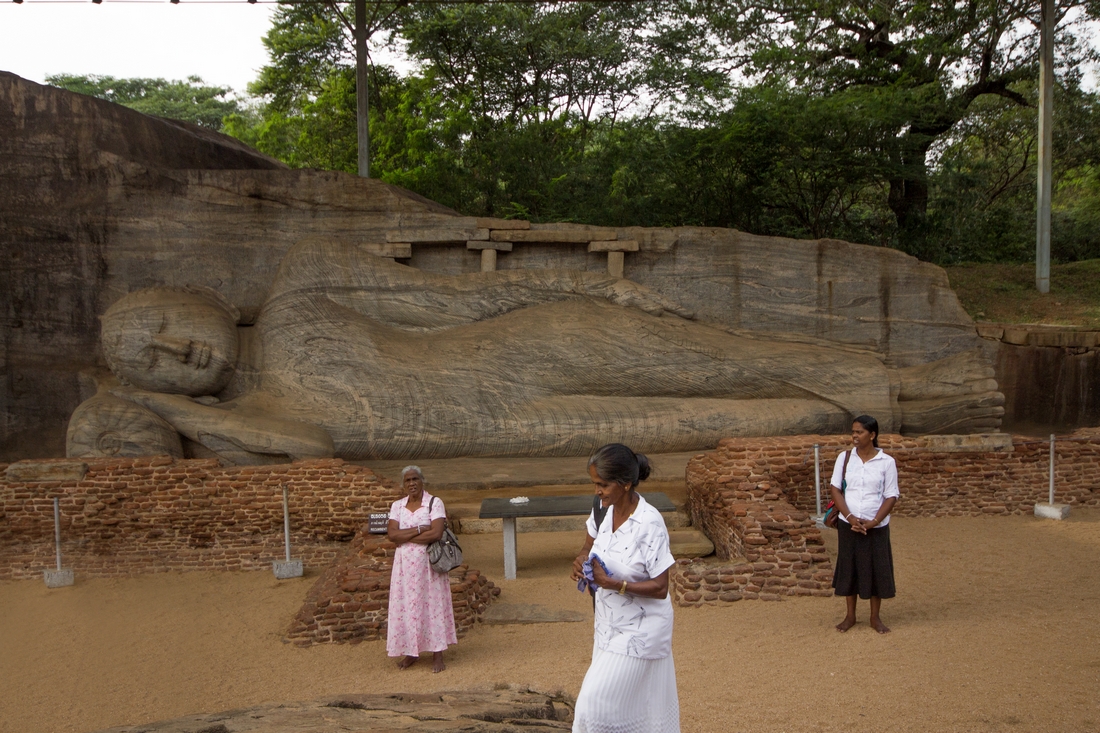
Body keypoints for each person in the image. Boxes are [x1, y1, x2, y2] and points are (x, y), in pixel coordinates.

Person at [76, 237, 1005, 464]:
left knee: (725, 355)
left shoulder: (298, 294)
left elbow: (462, 294)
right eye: (150, 361)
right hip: (519, 422)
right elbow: (315, 452)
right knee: (739, 417)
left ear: (195, 297)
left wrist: (594, 285)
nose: (176, 350)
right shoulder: (258, 420)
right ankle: (915, 411)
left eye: (165, 323)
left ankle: (920, 383)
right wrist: (170, 412)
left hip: (530, 346)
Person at [570, 444, 679, 733]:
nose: (597, 491)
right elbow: (588, 545)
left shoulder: (649, 523)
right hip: (606, 628)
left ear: (626, 483)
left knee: (591, 708)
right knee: (627, 708)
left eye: (603, 484)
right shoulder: (602, 511)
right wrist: (581, 560)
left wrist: (614, 584)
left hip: (641, 632)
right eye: (594, 483)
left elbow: (661, 587)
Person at [828, 415, 899, 634]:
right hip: (848, 523)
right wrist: (849, 517)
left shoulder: (886, 462)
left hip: (875, 526)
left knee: (877, 568)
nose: (855, 436)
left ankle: (875, 617)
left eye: (859, 432)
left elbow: (891, 496)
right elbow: (835, 489)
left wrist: (873, 522)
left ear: (872, 435)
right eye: (853, 432)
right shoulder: (846, 458)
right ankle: (850, 616)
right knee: (850, 568)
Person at [385, 465, 457, 672]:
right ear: (403, 485)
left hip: (429, 566)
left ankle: (437, 654)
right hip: (403, 569)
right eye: (407, 480)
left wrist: (405, 536)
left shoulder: (434, 503)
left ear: (422, 480)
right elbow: (392, 535)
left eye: (415, 479)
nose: (412, 483)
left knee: (432, 606)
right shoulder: (397, 506)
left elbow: (435, 534)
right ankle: (411, 652)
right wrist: (418, 530)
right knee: (406, 608)